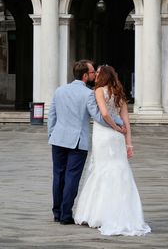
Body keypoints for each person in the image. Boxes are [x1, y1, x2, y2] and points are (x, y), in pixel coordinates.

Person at [74, 65, 151, 236]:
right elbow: (127, 121)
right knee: (119, 169)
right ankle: (121, 212)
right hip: (116, 138)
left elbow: (104, 114)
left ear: (103, 76)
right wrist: (128, 144)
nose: (96, 75)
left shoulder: (99, 91)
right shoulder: (119, 94)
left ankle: (98, 214)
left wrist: (115, 127)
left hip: (104, 134)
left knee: (101, 169)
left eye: (99, 73)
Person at [48, 60, 125, 225]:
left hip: (58, 139)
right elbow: (98, 116)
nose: (93, 75)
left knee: (58, 176)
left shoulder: (59, 90)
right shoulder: (88, 93)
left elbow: (52, 115)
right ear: (84, 76)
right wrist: (119, 122)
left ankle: (57, 212)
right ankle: (65, 215)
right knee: (72, 178)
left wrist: (51, 135)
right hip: (77, 141)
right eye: (91, 72)